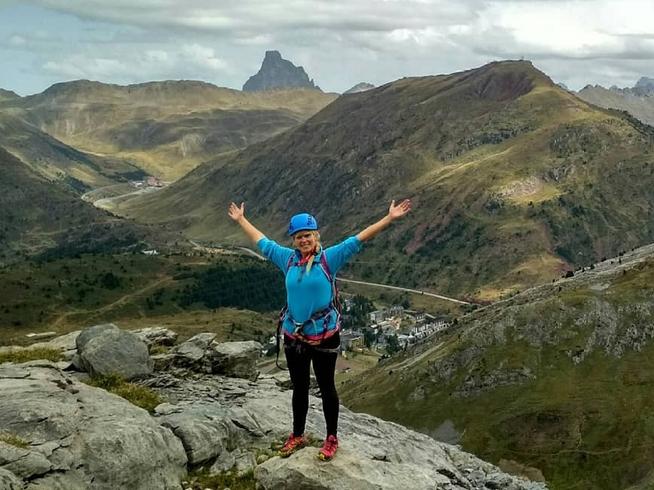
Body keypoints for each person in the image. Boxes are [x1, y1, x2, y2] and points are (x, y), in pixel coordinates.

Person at [227, 199, 412, 461]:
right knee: (299, 387)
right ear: (293, 239)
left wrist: (389, 218)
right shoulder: (286, 259)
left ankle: (331, 437)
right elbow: (262, 241)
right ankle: (298, 434)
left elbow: (358, 239)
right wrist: (241, 220)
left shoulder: (329, 259)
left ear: (316, 236)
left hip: (325, 335)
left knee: (327, 387)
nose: (304, 240)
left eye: (308, 235)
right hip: (294, 336)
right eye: (299, 236)